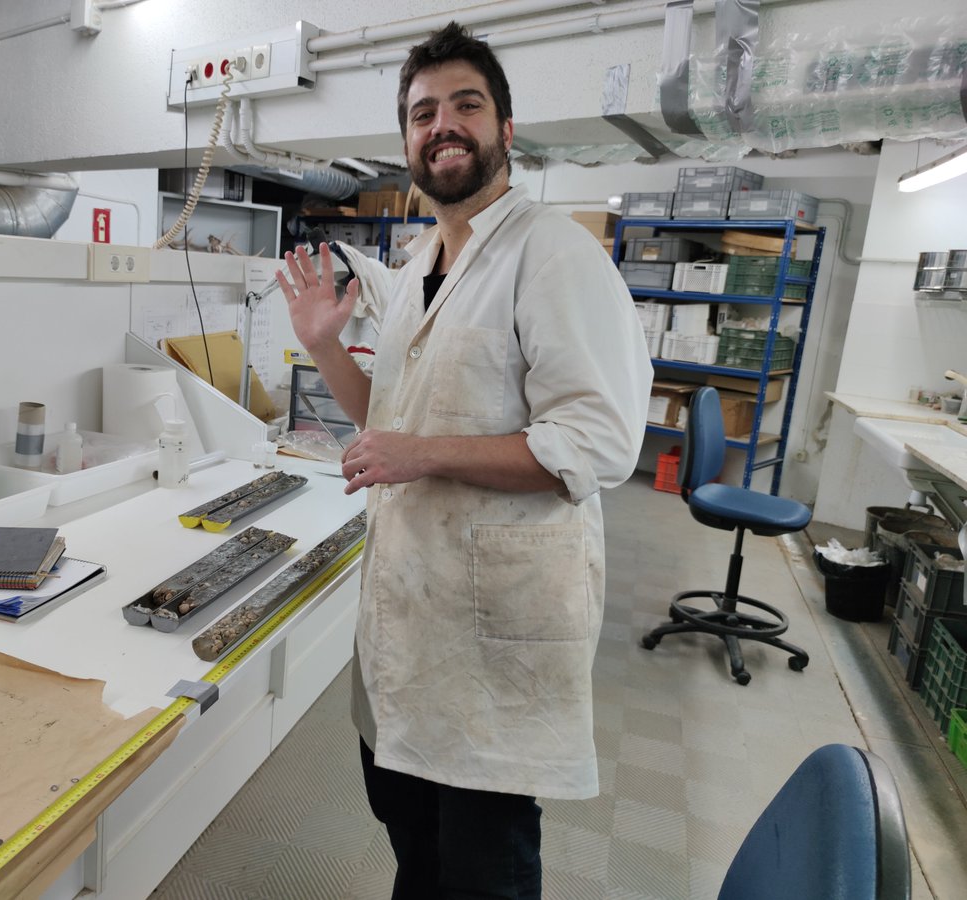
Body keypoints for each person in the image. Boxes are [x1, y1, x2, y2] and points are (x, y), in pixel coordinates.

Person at [275, 22, 653, 899]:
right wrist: (328, 348)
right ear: (407, 140)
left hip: (495, 637)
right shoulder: (417, 268)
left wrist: (422, 452)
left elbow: (596, 444)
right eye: (422, 113)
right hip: (409, 621)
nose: (442, 125)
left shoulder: (553, 255)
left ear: (505, 130)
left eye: (465, 106)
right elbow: (390, 430)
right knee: (416, 849)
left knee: (484, 868)